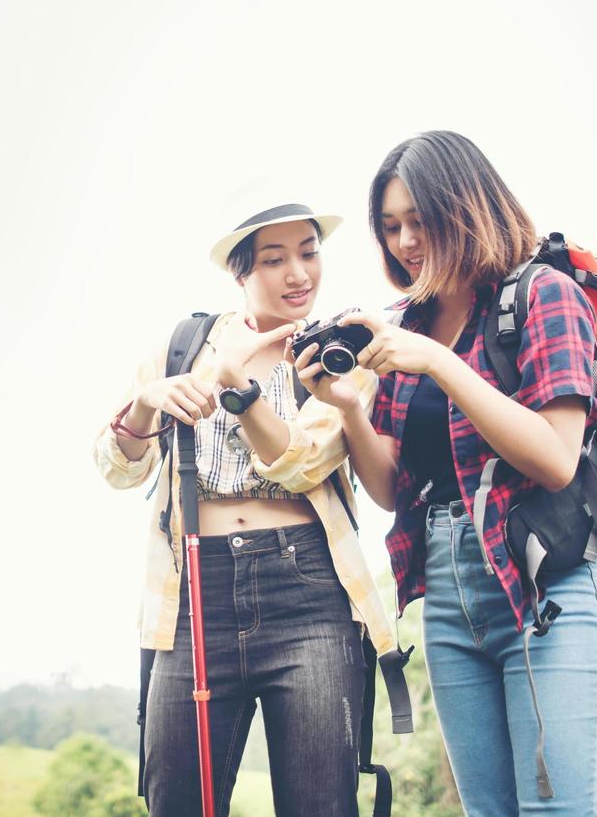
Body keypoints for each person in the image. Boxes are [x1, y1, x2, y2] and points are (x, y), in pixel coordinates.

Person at [297, 131, 597, 814]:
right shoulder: (402, 324)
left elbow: (557, 460)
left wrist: (438, 362)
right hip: (446, 594)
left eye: (419, 220)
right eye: (390, 228)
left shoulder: (542, 294)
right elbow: (388, 491)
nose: (406, 241)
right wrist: (350, 408)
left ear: (464, 206)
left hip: (545, 586)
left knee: (554, 810)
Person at [94, 203, 398, 816]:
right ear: (240, 273)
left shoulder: (342, 357)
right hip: (192, 594)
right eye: (274, 259)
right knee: (175, 801)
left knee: (320, 804)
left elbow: (302, 462)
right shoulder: (181, 349)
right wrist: (147, 404)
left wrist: (238, 393)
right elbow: (118, 468)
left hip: (308, 592)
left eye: (309, 253)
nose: (298, 273)